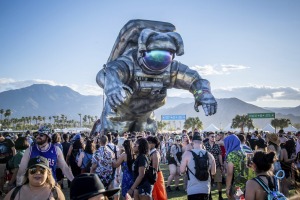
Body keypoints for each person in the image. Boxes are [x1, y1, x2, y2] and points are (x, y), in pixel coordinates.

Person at [180, 132, 216, 200]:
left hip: (192, 189)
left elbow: (182, 171)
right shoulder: (209, 155)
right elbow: (213, 173)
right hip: (205, 188)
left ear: (192, 142)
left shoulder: (187, 154)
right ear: (202, 142)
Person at [224, 134, 247, 200]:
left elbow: (230, 173)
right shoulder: (243, 152)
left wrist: (227, 188)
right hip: (245, 183)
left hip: (236, 185)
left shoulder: (231, 155)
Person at [204, 132, 224, 200]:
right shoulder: (205, 145)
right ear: (208, 137)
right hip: (208, 166)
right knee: (208, 181)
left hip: (217, 165)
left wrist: (221, 165)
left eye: (214, 136)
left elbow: (220, 155)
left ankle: (220, 195)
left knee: (219, 180)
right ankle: (209, 196)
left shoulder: (217, 146)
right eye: (212, 136)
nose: (213, 138)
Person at [147, 136, 167, 200]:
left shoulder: (155, 153)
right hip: (152, 175)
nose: (147, 144)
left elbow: (154, 169)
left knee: (158, 194)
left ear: (154, 144)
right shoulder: (150, 152)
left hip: (155, 176)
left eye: (149, 142)